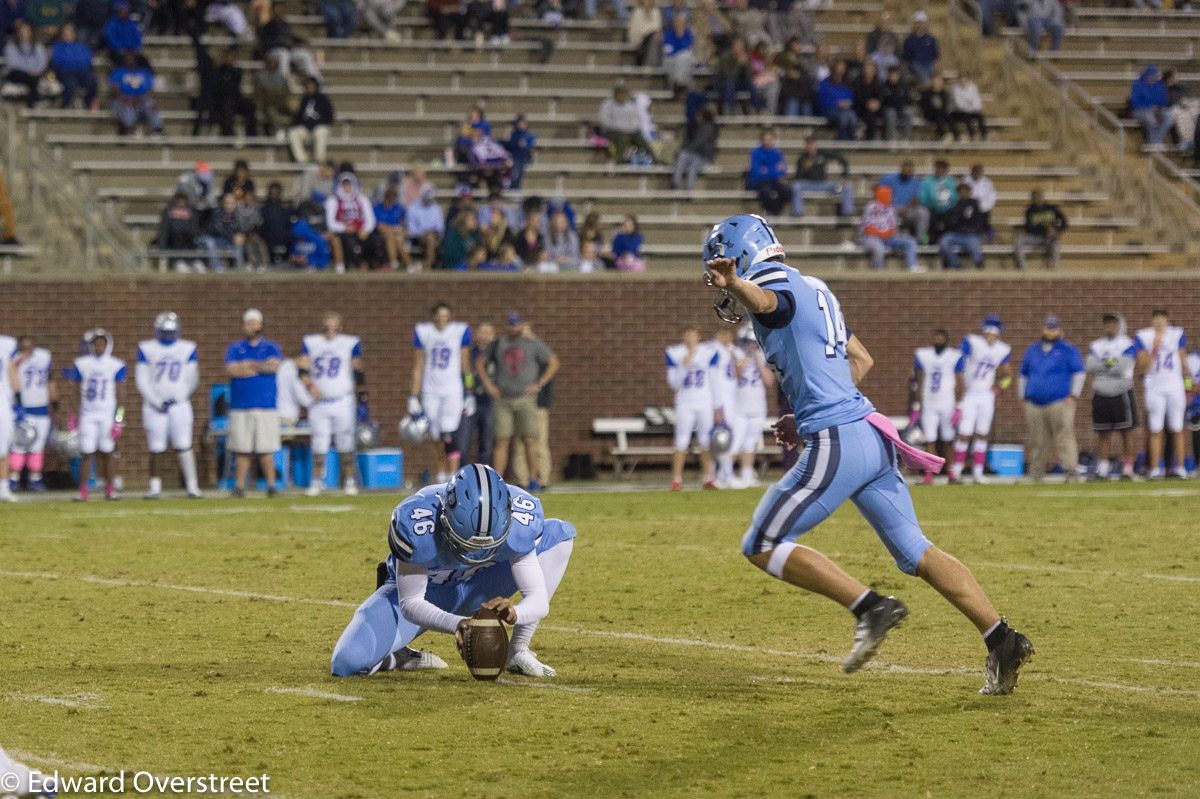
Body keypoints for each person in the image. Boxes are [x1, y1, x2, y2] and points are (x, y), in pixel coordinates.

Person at [703, 214, 1034, 694]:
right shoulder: (814, 285)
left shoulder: (771, 287)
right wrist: (809, 410)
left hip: (839, 439)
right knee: (916, 549)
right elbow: (861, 359)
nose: (726, 290)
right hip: (869, 435)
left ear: (743, 255)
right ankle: (1001, 637)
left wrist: (737, 283)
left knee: (761, 542)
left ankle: (870, 607)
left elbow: (770, 303)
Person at [330, 464, 576, 678]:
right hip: (429, 593)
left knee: (559, 535)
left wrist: (516, 612)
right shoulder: (417, 521)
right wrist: (457, 623)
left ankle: (518, 650)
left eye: (490, 545)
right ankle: (396, 656)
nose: (475, 554)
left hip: (482, 587)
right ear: (445, 519)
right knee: (347, 662)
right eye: (466, 544)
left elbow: (538, 599)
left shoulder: (522, 521)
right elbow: (411, 602)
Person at [475, 312, 559, 492]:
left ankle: (533, 479)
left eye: (516, 324)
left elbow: (553, 361)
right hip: (503, 399)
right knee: (501, 440)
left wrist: (539, 384)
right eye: (510, 324)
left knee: (530, 439)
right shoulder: (498, 344)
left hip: (525, 399)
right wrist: (489, 385)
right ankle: (497, 483)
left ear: (521, 325)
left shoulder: (532, 344)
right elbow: (480, 362)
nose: (513, 327)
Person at [296, 312, 364, 496]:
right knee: (319, 443)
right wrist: (310, 386)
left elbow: (358, 370)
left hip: (343, 399)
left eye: (334, 326)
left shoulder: (348, 342)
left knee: (346, 442)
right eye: (327, 327)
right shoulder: (312, 342)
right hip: (319, 402)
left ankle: (349, 480)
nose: (331, 331)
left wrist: (361, 395)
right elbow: (302, 368)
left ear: (341, 327)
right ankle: (317, 480)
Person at [136, 311, 201, 499]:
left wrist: (178, 398)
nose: (168, 336)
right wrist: (157, 401)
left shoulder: (187, 347)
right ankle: (154, 488)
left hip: (179, 404)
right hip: (154, 405)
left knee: (184, 444)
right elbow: (142, 379)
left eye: (170, 332)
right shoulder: (147, 348)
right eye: (164, 332)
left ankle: (192, 486)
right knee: (156, 447)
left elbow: (192, 379)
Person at [411, 302, 473, 484]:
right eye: (438, 315)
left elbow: (466, 365)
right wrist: (413, 396)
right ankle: (440, 475)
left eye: (445, 315)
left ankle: (452, 476)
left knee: (449, 432)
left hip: (452, 389)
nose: (441, 319)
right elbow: (418, 366)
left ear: (450, 316)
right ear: (433, 316)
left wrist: (469, 392)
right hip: (430, 389)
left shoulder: (458, 331)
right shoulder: (424, 331)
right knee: (435, 434)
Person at [224, 308, 282, 498]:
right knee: (242, 449)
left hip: (265, 405)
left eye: (252, 323)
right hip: (240, 405)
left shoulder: (271, 347)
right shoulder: (235, 348)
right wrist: (259, 366)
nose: (249, 327)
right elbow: (233, 370)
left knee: (266, 449)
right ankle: (240, 486)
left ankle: (271, 486)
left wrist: (248, 365)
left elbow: (273, 366)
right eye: (246, 323)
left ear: (260, 325)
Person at [1019, 315, 1084, 482]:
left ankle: (1071, 471)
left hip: (1060, 401)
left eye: (1054, 329)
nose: (1050, 332)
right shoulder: (1033, 349)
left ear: (1059, 330)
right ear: (1043, 329)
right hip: (1034, 403)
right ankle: (1036, 474)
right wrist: (1023, 394)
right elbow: (1024, 373)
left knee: (1064, 437)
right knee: (1037, 441)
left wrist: (1074, 394)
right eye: (1048, 328)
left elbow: (1079, 373)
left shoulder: (1068, 349)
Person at [65, 328, 126, 501]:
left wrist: (119, 420)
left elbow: (121, 396)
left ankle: (110, 489)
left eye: (102, 344)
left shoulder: (115, 364)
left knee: (108, 452)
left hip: (107, 415)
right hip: (88, 414)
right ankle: (83, 490)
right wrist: (73, 416)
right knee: (86, 452)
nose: (99, 347)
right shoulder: (82, 363)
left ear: (108, 345)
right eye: (96, 344)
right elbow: (75, 392)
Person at [950, 316, 1012, 484]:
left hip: (986, 395)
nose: (990, 336)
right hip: (970, 393)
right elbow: (958, 359)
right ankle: (955, 471)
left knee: (983, 433)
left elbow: (1008, 374)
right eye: (988, 332)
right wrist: (960, 384)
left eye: (993, 333)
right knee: (964, 432)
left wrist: (998, 387)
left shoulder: (1002, 349)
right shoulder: (972, 342)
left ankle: (977, 472)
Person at [1131, 309, 1190, 479]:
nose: (1159, 321)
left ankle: (1180, 468)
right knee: (1156, 428)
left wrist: (1187, 386)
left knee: (1178, 427)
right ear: (1152, 320)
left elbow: (1183, 362)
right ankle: (1156, 469)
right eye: (1156, 318)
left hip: (1174, 384)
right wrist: (1155, 348)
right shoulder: (1144, 336)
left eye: (1162, 318)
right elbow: (1142, 368)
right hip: (1154, 385)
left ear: (1166, 320)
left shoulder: (1177, 334)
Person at [666, 326, 719, 491]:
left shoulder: (707, 351)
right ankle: (676, 480)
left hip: (704, 401)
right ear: (683, 337)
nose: (690, 339)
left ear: (698, 337)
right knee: (681, 440)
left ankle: (708, 478)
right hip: (685, 401)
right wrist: (685, 364)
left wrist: (717, 406)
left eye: (693, 335)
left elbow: (715, 381)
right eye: (687, 335)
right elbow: (674, 384)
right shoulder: (675, 352)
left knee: (705, 440)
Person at [1086, 313, 1137, 481]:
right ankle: (1102, 470)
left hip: (1121, 392)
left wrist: (1104, 365)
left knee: (1126, 431)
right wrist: (1110, 364)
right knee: (1103, 432)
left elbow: (1122, 367)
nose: (1109, 327)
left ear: (1119, 325)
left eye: (1112, 323)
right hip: (1101, 392)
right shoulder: (1097, 344)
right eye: (1106, 323)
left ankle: (1127, 468)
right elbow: (1090, 365)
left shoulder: (1127, 343)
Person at [911, 329, 962, 485]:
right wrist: (917, 405)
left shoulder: (954, 356)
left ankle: (951, 473)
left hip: (947, 403)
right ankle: (929, 474)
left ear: (947, 340)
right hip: (929, 403)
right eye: (936, 338)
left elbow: (959, 383)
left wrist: (959, 405)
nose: (938, 340)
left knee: (948, 439)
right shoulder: (923, 355)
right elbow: (918, 379)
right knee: (930, 440)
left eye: (941, 338)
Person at [7, 335, 54, 493]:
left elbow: (50, 380)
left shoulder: (43, 357)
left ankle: (35, 479)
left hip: (41, 408)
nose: (26, 351)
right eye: (23, 348)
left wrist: (55, 402)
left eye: (29, 348)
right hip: (22, 408)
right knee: (18, 445)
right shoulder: (14, 360)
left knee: (37, 446)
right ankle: (13, 479)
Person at [511, 323, 556, 488]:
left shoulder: (541, 354)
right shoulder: (515, 355)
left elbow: (549, 377)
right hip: (519, 404)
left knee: (540, 443)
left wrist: (543, 400)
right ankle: (522, 480)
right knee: (520, 444)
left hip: (538, 405)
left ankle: (543, 479)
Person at [729, 324, 773, 488]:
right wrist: (743, 361)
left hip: (757, 407)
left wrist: (758, 361)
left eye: (754, 342)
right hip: (739, 407)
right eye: (749, 342)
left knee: (750, 442)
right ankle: (726, 473)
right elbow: (737, 377)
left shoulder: (762, 356)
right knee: (735, 442)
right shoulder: (737, 355)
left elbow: (769, 381)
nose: (752, 346)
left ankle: (747, 474)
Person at [324, 172, 382, 273]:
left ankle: (376, 263)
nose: (347, 187)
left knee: (376, 239)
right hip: (344, 232)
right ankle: (356, 264)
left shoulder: (362, 199)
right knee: (349, 241)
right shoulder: (333, 201)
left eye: (349, 184)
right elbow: (331, 223)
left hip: (361, 230)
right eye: (344, 185)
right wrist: (344, 228)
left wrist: (366, 230)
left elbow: (370, 219)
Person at [457, 321, 495, 466]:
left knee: (486, 446)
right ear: (476, 335)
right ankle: (461, 478)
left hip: (489, 403)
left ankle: (483, 479)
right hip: (468, 402)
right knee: (462, 444)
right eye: (482, 332)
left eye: (488, 333)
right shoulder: (468, 353)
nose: (485, 336)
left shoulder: (496, 354)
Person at [859, 185, 920, 272]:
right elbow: (868, 229)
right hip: (871, 238)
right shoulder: (870, 207)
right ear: (881, 195)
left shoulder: (890, 208)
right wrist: (883, 234)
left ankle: (912, 266)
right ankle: (879, 272)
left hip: (888, 238)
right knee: (879, 249)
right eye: (887, 195)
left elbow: (893, 227)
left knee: (911, 242)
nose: (890, 197)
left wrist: (888, 233)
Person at [791, 134, 852, 218]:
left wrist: (844, 176)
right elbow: (797, 178)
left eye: (812, 143)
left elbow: (843, 160)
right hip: (808, 185)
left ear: (816, 144)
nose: (811, 146)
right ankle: (798, 212)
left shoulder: (822, 154)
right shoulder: (802, 158)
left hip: (823, 184)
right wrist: (805, 169)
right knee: (796, 186)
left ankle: (848, 211)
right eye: (808, 144)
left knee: (847, 186)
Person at [109, 49, 162, 135]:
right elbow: (114, 90)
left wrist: (139, 99)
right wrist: (126, 98)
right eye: (127, 58)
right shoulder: (118, 72)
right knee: (126, 107)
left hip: (140, 100)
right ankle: (128, 130)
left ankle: (158, 130)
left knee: (150, 104)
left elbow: (150, 90)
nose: (129, 60)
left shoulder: (143, 72)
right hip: (124, 100)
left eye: (131, 58)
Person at [599, 86, 655, 165]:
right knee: (622, 139)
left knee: (641, 140)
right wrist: (620, 127)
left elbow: (637, 120)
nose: (623, 97)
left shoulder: (631, 105)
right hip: (614, 131)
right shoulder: (607, 105)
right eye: (620, 95)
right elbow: (604, 120)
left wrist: (631, 128)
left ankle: (654, 160)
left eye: (624, 95)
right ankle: (619, 162)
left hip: (631, 131)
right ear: (616, 95)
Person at [1014, 189, 1068, 270]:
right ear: (1032, 199)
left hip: (1048, 238)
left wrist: (1057, 231)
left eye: (1038, 196)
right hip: (1034, 237)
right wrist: (1045, 227)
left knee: (1056, 242)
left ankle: (1054, 267)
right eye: (1034, 197)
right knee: (1018, 239)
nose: (1037, 198)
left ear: (1042, 197)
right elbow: (1028, 228)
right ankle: (1022, 267)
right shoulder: (1029, 211)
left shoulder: (1052, 208)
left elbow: (1064, 221)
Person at [939, 182, 986, 270]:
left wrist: (981, 230)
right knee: (944, 241)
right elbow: (948, 222)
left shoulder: (975, 205)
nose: (963, 193)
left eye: (965, 191)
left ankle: (978, 264)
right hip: (957, 235)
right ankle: (955, 264)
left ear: (969, 192)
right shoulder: (955, 206)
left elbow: (980, 220)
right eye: (961, 192)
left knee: (975, 244)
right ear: (958, 193)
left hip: (971, 235)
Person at [879, 160, 929, 244]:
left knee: (923, 213)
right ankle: (894, 241)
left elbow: (916, 198)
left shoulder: (915, 181)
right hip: (892, 207)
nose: (907, 173)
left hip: (908, 208)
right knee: (892, 212)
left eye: (909, 172)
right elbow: (880, 190)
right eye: (905, 171)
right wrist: (890, 203)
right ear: (901, 170)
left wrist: (908, 206)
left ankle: (918, 241)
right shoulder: (890, 178)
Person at [50, 23, 97, 109]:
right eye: (66, 32)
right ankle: (64, 106)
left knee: (93, 82)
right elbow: (57, 61)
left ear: (74, 34)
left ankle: (87, 102)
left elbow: (88, 60)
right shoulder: (58, 46)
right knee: (71, 84)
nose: (68, 34)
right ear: (62, 34)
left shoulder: (82, 47)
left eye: (70, 32)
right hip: (66, 72)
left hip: (82, 72)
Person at [672, 105, 718, 191]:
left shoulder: (708, 128)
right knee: (682, 156)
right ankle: (675, 183)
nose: (696, 118)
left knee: (692, 167)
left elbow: (698, 144)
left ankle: (689, 191)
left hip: (705, 158)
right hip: (697, 155)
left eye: (698, 115)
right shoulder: (699, 127)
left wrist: (686, 148)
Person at [213, 47, 257, 136]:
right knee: (227, 109)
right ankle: (228, 135)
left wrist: (230, 67)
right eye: (229, 57)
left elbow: (236, 80)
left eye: (233, 57)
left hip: (236, 98)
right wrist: (223, 66)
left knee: (250, 106)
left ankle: (251, 135)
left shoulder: (237, 70)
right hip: (223, 99)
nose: (231, 59)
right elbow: (219, 85)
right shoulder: (219, 70)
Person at [289, 77, 334, 163]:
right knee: (293, 133)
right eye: (307, 86)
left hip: (319, 127)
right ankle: (302, 159)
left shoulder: (323, 99)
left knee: (321, 131)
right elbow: (298, 117)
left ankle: (319, 159)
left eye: (311, 85)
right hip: (305, 129)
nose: (309, 87)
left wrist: (318, 123)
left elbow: (329, 117)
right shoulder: (304, 100)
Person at [156, 191, 203, 273]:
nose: (181, 202)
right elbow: (164, 227)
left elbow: (194, 225)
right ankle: (180, 261)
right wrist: (162, 243)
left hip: (188, 234)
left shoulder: (190, 210)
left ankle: (196, 261)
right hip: (174, 235)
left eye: (183, 200)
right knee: (178, 238)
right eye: (179, 200)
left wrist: (196, 235)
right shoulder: (168, 210)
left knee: (193, 239)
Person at [714, 37, 762, 115]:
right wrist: (738, 64)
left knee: (751, 84)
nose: (740, 48)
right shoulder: (725, 57)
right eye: (738, 46)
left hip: (739, 83)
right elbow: (730, 75)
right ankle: (732, 109)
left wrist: (746, 64)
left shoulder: (745, 56)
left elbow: (750, 75)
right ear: (733, 46)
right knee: (730, 83)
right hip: (724, 83)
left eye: (742, 46)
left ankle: (759, 109)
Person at [199, 192, 245, 272]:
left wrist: (240, 235)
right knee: (210, 242)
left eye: (232, 203)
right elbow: (217, 230)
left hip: (227, 240)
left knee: (239, 240)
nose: (229, 205)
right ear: (223, 203)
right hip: (212, 238)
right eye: (227, 203)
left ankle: (238, 268)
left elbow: (239, 229)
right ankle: (218, 268)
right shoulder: (216, 213)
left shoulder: (236, 215)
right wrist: (234, 236)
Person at [748, 128, 788, 216]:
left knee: (786, 192)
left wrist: (766, 170)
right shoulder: (756, 152)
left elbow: (782, 171)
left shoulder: (777, 153)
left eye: (770, 139)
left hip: (774, 181)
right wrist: (774, 170)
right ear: (762, 140)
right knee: (767, 193)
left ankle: (776, 213)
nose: (768, 141)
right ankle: (774, 213)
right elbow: (757, 173)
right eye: (766, 139)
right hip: (760, 182)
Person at [406, 185, 445, 270]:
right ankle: (429, 266)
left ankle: (429, 264)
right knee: (430, 239)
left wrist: (433, 232)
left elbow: (440, 227)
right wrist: (423, 232)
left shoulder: (436, 208)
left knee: (431, 238)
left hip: (434, 235)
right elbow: (411, 227)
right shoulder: (413, 207)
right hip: (418, 237)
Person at [253, 56, 293, 138]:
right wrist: (274, 92)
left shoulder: (281, 77)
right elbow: (259, 94)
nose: (272, 65)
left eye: (274, 63)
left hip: (281, 103)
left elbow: (287, 92)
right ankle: (278, 134)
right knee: (272, 112)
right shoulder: (260, 77)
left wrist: (272, 92)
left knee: (295, 110)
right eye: (270, 63)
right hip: (267, 105)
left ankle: (292, 134)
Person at [1130, 65, 1172, 146]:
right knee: (1150, 118)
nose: (1151, 78)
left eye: (1153, 76)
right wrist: (1149, 107)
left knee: (1169, 116)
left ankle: (1157, 141)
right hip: (1140, 110)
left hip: (1157, 110)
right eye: (1150, 76)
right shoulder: (1137, 85)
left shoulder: (1160, 86)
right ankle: (1153, 142)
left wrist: (1159, 109)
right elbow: (1135, 102)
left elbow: (1163, 102)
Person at [818, 59, 856, 141]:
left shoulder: (848, 84)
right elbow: (822, 100)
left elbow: (851, 98)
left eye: (843, 68)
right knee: (843, 117)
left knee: (852, 117)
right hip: (830, 110)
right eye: (839, 68)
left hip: (846, 110)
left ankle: (851, 142)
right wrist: (837, 103)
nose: (841, 70)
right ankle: (842, 142)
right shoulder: (825, 83)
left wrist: (848, 103)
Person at [776, 36, 814, 117]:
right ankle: (790, 123)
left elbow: (807, 73)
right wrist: (787, 73)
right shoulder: (782, 57)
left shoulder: (801, 58)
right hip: (789, 86)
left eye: (798, 44)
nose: (797, 46)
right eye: (795, 44)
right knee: (793, 101)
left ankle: (807, 124)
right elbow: (779, 72)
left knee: (806, 100)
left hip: (801, 86)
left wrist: (799, 68)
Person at [919, 159, 956, 242]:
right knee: (931, 215)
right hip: (932, 209)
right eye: (938, 168)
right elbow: (922, 200)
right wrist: (934, 203)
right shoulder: (926, 181)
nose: (940, 170)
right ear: (935, 168)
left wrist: (947, 192)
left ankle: (948, 241)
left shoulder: (950, 182)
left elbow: (955, 199)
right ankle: (932, 241)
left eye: (943, 169)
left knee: (953, 214)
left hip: (947, 209)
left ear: (946, 170)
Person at [901, 10, 938, 85]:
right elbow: (905, 58)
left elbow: (935, 56)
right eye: (917, 23)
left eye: (921, 23)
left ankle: (930, 84)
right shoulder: (909, 39)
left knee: (933, 72)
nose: (919, 25)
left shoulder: (931, 39)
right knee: (922, 73)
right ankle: (927, 83)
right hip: (915, 64)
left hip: (929, 63)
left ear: (925, 24)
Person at [662, 12, 695, 95]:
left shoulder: (688, 34)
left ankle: (678, 84)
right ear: (674, 23)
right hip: (671, 59)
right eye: (678, 22)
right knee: (680, 59)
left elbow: (688, 48)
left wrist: (680, 37)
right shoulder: (668, 34)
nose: (679, 24)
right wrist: (679, 52)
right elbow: (668, 50)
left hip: (685, 58)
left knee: (683, 58)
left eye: (681, 22)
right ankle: (683, 86)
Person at [852, 60, 885, 140]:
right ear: (864, 70)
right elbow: (857, 97)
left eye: (872, 69)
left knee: (886, 112)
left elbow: (881, 96)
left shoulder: (878, 82)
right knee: (869, 113)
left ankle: (883, 138)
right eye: (868, 68)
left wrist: (878, 103)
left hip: (875, 108)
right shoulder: (857, 82)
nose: (870, 71)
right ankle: (868, 139)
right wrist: (868, 103)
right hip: (861, 107)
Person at [963, 164, 997, 240]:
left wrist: (986, 207)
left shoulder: (987, 182)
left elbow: (992, 196)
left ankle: (987, 230)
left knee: (983, 216)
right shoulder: (965, 180)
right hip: (969, 207)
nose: (977, 174)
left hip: (983, 208)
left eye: (979, 172)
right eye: (975, 172)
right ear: (971, 172)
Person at [880, 66, 914, 141]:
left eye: (895, 74)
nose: (893, 76)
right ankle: (892, 139)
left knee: (909, 112)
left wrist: (897, 100)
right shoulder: (884, 86)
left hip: (901, 108)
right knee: (891, 113)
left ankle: (905, 138)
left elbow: (908, 100)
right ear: (888, 75)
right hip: (889, 109)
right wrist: (897, 99)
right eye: (891, 75)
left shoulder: (903, 85)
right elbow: (884, 101)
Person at [919, 74, 956, 142]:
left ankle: (956, 136)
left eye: (938, 81)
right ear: (932, 82)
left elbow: (946, 106)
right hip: (931, 114)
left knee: (950, 118)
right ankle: (944, 136)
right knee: (939, 118)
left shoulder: (944, 93)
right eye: (935, 81)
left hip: (942, 113)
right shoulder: (926, 93)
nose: (937, 83)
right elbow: (924, 106)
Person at [950, 74, 987, 141]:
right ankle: (972, 135)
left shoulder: (973, 87)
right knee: (967, 117)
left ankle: (984, 135)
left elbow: (976, 99)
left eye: (965, 80)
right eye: (961, 81)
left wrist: (977, 108)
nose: (963, 83)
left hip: (972, 110)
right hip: (961, 111)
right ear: (958, 81)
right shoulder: (955, 89)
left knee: (981, 117)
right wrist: (970, 108)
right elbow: (959, 104)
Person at [506, 115, 536, 191]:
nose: (521, 125)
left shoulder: (528, 135)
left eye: (523, 123)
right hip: (516, 157)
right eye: (520, 123)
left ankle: (516, 189)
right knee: (515, 175)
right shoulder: (514, 134)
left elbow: (530, 144)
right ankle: (513, 189)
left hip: (523, 157)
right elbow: (512, 145)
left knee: (518, 174)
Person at [628, 0, 661, 68]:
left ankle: (649, 65)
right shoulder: (637, 12)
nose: (647, 3)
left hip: (652, 37)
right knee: (652, 37)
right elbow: (635, 29)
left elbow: (658, 27)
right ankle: (650, 66)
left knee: (654, 37)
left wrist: (647, 30)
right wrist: (648, 30)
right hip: (639, 38)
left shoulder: (655, 11)